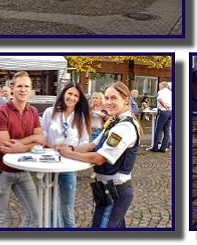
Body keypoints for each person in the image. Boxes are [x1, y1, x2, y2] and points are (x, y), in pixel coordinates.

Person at [57, 82, 141, 228]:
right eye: (107, 98)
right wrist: (71, 147)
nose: (108, 102)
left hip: (115, 191)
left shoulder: (124, 127)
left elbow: (99, 158)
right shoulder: (114, 122)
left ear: (126, 100)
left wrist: (69, 153)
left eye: (113, 98)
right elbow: (93, 145)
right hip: (106, 189)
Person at [0, 71, 45, 227]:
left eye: (27, 86)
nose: (23, 89)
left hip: (22, 171)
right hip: (1, 170)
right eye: (19, 86)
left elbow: (40, 141)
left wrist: (21, 146)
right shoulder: (0, 112)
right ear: (12, 88)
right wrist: (31, 141)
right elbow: (5, 147)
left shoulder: (33, 111)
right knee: (0, 216)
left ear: (31, 89)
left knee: (35, 214)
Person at [41, 82, 91, 228]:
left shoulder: (81, 117)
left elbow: (85, 143)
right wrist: (54, 147)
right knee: (50, 206)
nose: (72, 97)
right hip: (49, 163)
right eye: (70, 93)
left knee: (67, 207)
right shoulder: (50, 112)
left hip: (69, 165)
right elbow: (42, 137)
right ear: (63, 94)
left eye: (76, 95)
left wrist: (70, 148)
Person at [151, 81, 172, 152]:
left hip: (163, 111)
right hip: (170, 112)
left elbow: (160, 100)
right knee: (167, 130)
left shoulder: (161, 91)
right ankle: (163, 148)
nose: (159, 87)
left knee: (158, 130)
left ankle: (155, 147)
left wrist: (165, 107)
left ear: (162, 86)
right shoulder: (171, 92)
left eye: (160, 86)